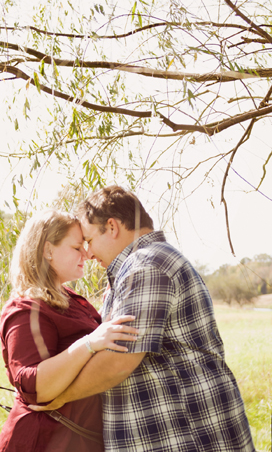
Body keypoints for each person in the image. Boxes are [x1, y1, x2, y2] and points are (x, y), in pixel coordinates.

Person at [31, 186, 255, 452]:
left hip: (187, 436)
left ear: (112, 227)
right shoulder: (142, 265)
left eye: (89, 240)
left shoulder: (147, 265)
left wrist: (59, 397)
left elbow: (118, 361)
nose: (88, 254)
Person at [0, 210, 138, 452]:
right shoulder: (26, 309)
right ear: (48, 250)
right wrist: (90, 343)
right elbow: (34, 388)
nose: (87, 254)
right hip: (40, 441)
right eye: (76, 247)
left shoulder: (71, 300)